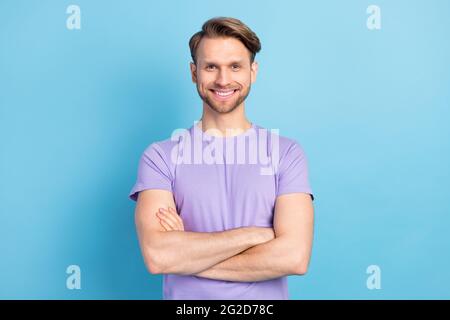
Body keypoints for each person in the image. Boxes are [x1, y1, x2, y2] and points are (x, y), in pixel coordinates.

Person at [129, 17, 314, 300]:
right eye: (211, 66)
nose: (223, 80)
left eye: (235, 66)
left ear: (253, 71)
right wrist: (257, 235)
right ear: (194, 72)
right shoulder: (160, 157)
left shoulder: (287, 154)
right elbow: (158, 256)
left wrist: (186, 257)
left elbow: (294, 258)